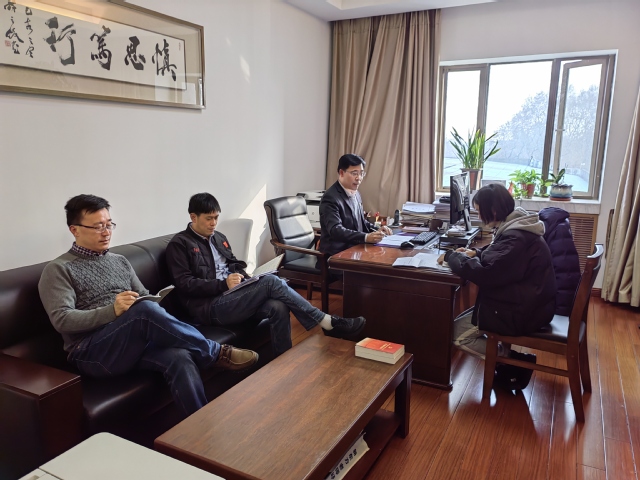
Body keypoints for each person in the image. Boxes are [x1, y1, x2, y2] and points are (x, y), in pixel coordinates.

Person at [38, 194, 258, 418]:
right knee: (143, 312)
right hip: (91, 351)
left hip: (134, 340)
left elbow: (144, 296)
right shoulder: (59, 269)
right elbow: (62, 320)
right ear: (74, 230)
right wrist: (112, 311)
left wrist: (153, 301)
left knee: (179, 357)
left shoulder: (119, 261)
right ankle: (216, 353)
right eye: (97, 227)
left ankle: (199, 425)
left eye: (109, 224)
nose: (106, 232)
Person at [165, 193, 367, 357]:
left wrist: (245, 278)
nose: (214, 223)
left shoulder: (219, 237)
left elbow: (233, 263)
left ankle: (282, 362)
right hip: (209, 307)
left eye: (216, 217)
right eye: (208, 219)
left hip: (231, 295)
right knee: (271, 282)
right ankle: (326, 322)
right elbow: (185, 284)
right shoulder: (180, 244)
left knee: (277, 306)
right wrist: (223, 284)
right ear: (193, 217)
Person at [438, 184, 557, 388]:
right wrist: (477, 253)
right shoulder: (519, 224)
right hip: (530, 303)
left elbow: (486, 274)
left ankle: (512, 362)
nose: (478, 216)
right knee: (464, 318)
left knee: (456, 335)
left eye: (479, 211)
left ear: (493, 210)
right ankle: (510, 364)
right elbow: (500, 256)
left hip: (522, 311)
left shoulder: (516, 238)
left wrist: (452, 257)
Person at [319, 154, 392, 257]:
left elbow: (361, 222)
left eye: (361, 173)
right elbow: (336, 230)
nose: (359, 178)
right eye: (354, 173)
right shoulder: (331, 197)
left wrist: (378, 229)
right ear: (341, 173)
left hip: (356, 250)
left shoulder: (356, 194)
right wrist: (366, 237)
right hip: (336, 255)